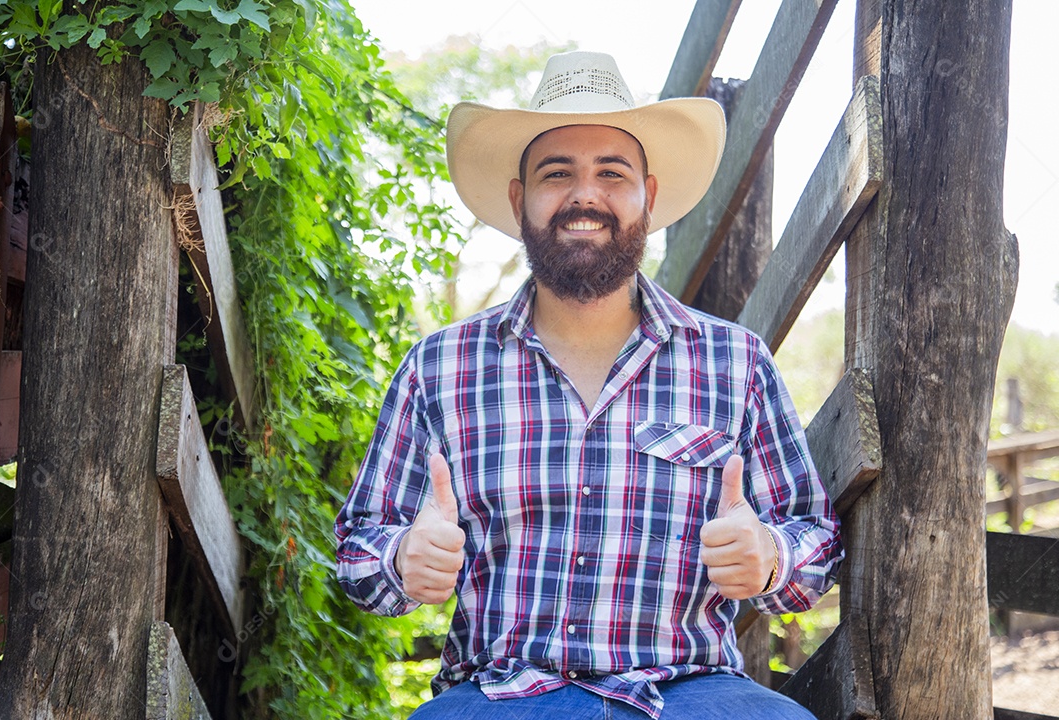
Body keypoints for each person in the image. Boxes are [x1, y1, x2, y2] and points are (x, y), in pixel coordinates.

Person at [335, 51, 842, 719]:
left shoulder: (735, 364)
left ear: (648, 198)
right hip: (499, 696)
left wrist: (771, 558)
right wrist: (403, 557)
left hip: (689, 694)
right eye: (557, 174)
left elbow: (814, 540)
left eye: (611, 173)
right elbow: (356, 552)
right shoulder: (439, 368)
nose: (585, 195)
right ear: (520, 199)